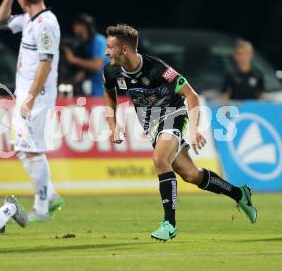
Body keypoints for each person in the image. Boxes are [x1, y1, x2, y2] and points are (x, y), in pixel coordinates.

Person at [103, 24, 257, 241]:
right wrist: (113, 125)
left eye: (110, 47)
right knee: (191, 174)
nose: (106, 52)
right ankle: (240, 194)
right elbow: (109, 94)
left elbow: (191, 95)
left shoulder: (157, 69)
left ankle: (169, 224)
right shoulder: (111, 71)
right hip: (152, 126)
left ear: (125, 50)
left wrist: (194, 129)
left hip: (173, 114)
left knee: (160, 160)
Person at [0, 0, 64, 222]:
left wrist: (32, 98)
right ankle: (51, 196)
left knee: (31, 149)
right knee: (23, 148)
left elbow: (46, 62)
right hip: (27, 93)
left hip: (38, 94)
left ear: (23, 0)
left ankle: (42, 207)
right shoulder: (28, 21)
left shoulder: (46, 23)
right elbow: (0, 22)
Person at [63, 13, 108, 96]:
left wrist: (73, 59)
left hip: (104, 92)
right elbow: (88, 67)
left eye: (77, 25)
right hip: (93, 90)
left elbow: (97, 66)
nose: (75, 29)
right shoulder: (86, 44)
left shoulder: (99, 41)